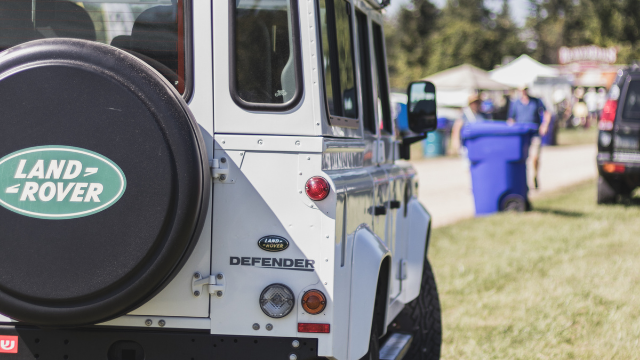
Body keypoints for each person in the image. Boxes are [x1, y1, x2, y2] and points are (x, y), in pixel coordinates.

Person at [507, 86, 551, 189]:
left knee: (535, 157)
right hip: (521, 135)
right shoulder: (516, 103)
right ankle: (524, 181)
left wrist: (545, 125)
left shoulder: (536, 101)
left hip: (534, 133)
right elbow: (511, 119)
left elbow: (546, 112)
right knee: (523, 159)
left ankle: (535, 175)